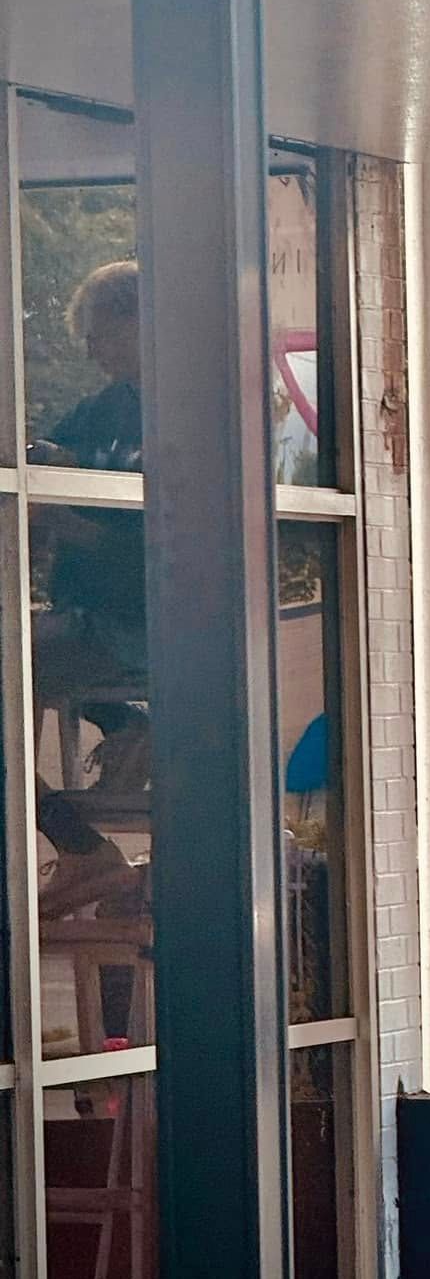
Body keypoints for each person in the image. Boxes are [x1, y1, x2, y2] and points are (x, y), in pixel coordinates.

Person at [29, 260, 149, 918]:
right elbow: (45, 454)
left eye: (99, 333)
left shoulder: (180, 403)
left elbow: (145, 550)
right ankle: (127, 725)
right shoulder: (106, 406)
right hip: (91, 616)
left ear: (138, 322)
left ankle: (76, 846)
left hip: (131, 624)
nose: (90, 349)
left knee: (15, 672)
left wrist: (62, 520)